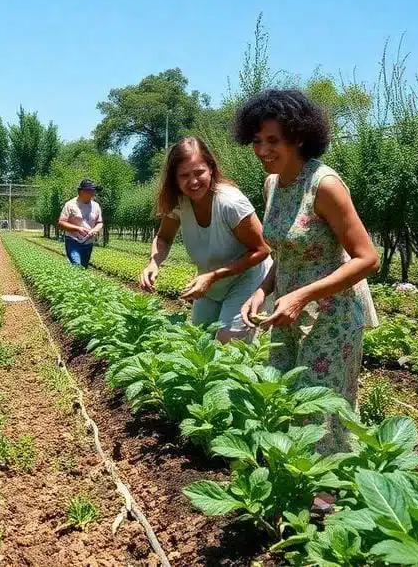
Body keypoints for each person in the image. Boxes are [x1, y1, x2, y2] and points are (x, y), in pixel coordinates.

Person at [234, 89, 379, 457]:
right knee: (289, 396)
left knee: (322, 406)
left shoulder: (324, 185)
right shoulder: (272, 184)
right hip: (287, 311)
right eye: (257, 141)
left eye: (273, 140)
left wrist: (302, 295)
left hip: (332, 313)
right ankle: (297, 481)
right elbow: (286, 251)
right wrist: (262, 290)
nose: (263, 150)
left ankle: (330, 495)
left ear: (299, 137)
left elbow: (366, 259)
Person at [140, 137, 272, 340]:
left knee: (229, 339)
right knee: (199, 337)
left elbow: (262, 250)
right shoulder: (179, 202)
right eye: (184, 175)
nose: (193, 181)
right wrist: (154, 262)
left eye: (199, 172)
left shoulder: (230, 203)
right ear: (174, 179)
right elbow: (164, 238)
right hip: (210, 282)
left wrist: (213, 276)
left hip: (247, 278)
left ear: (210, 168)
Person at [57, 179, 103, 268]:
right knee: (77, 265)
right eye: (90, 191)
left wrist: (94, 230)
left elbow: (99, 222)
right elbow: (61, 222)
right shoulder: (70, 205)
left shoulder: (96, 206)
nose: (93, 194)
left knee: (84, 266)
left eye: (93, 191)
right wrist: (78, 229)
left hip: (88, 242)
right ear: (81, 192)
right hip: (73, 241)